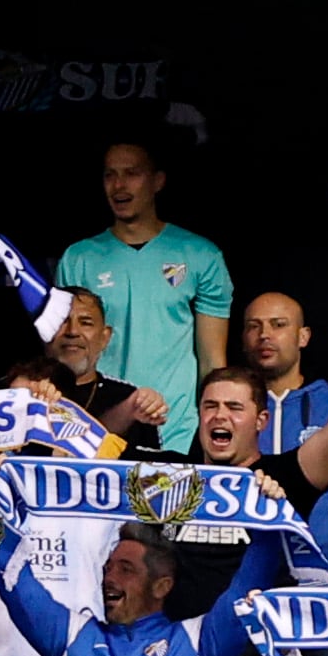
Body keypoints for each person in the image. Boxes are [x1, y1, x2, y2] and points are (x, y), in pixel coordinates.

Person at [55, 141, 232, 452]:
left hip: (175, 430)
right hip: (97, 426)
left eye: (131, 173)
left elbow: (212, 362)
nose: (119, 185)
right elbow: (62, 354)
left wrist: (210, 432)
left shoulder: (200, 254)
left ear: (158, 181)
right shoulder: (78, 258)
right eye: (110, 175)